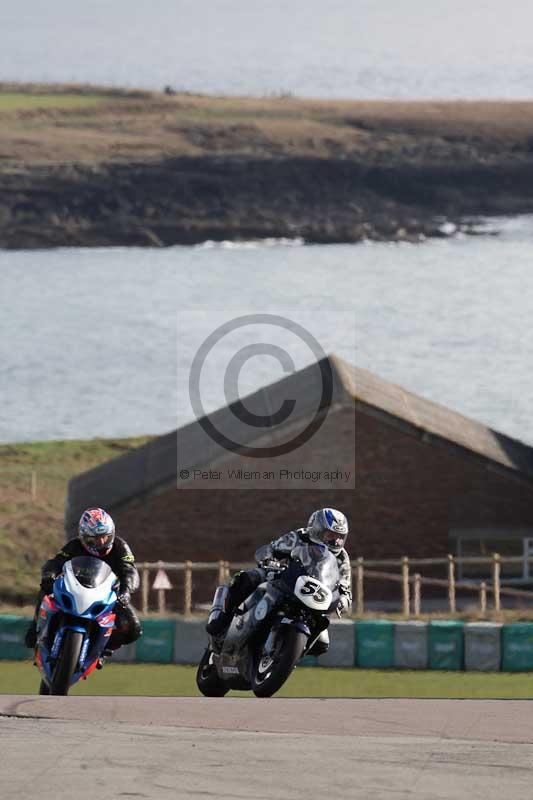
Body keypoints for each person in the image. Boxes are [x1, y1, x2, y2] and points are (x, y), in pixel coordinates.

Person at [206, 508, 351, 654]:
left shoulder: (342, 558)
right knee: (247, 578)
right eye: (331, 535)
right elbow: (273, 548)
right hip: (285, 577)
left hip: (313, 596)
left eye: (340, 537)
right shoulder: (299, 537)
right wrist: (270, 560)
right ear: (317, 530)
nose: (336, 541)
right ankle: (222, 622)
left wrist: (343, 600)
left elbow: (345, 587)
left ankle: (286, 651)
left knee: (322, 644)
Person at [25, 508, 142, 660]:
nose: (101, 543)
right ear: (83, 536)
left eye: (105, 537)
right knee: (46, 589)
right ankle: (35, 627)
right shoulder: (74, 546)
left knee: (133, 629)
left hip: (106, 594)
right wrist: (49, 575)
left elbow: (130, 571)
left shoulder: (121, 547)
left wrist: (126, 591)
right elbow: (56, 562)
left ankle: (102, 648)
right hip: (75, 589)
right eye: (95, 538)